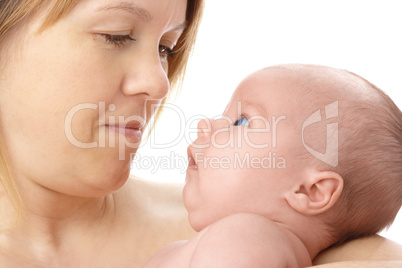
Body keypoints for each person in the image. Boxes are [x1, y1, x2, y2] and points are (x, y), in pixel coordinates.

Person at [0, 0, 400, 267]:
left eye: (167, 48)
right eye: (116, 35)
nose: (159, 84)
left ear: (313, 192)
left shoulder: (258, 236)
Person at [144, 64, 402, 267]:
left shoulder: (244, 238)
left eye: (241, 122)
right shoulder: (231, 242)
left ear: (310, 191)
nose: (205, 124)